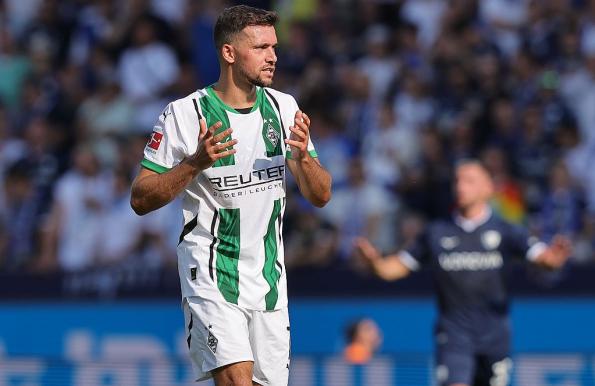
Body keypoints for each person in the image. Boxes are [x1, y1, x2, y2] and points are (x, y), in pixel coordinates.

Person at [130, 5, 332, 386]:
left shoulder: (284, 107)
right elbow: (140, 198)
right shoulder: (185, 114)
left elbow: (321, 195)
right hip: (210, 269)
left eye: (274, 46)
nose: (273, 55)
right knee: (237, 380)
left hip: (269, 278)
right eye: (260, 47)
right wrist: (195, 162)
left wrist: (303, 159)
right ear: (229, 53)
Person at [355, 160, 570, 386]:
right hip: (453, 334)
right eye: (457, 180)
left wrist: (554, 259)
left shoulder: (507, 231)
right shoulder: (436, 232)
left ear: (487, 188)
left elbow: (542, 259)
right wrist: (375, 263)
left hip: (495, 337)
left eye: (469, 181)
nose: (460, 186)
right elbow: (397, 267)